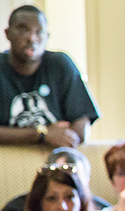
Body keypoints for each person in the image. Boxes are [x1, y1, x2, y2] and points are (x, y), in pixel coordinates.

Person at [0, 5, 100, 147]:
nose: (31, 38)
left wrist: (60, 136)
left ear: (47, 37)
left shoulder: (61, 64)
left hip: (56, 160)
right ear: (7, 33)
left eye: (39, 32)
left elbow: (81, 128)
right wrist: (42, 133)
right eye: (23, 29)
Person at [0, 146, 110, 211]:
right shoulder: (15, 209)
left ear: (87, 182)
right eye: (52, 198)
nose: (63, 206)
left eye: (70, 196)